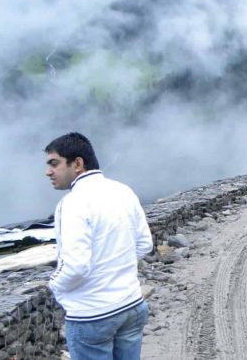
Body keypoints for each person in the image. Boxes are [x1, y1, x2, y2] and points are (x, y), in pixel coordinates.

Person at [44, 132, 153, 360]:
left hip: (92, 315)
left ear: (78, 164)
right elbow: (144, 244)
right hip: (131, 305)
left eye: (54, 163)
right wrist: (115, 269)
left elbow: (75, 267)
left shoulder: (72, 204)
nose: (48, 172)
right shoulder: (123, 190)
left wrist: (53, 286)